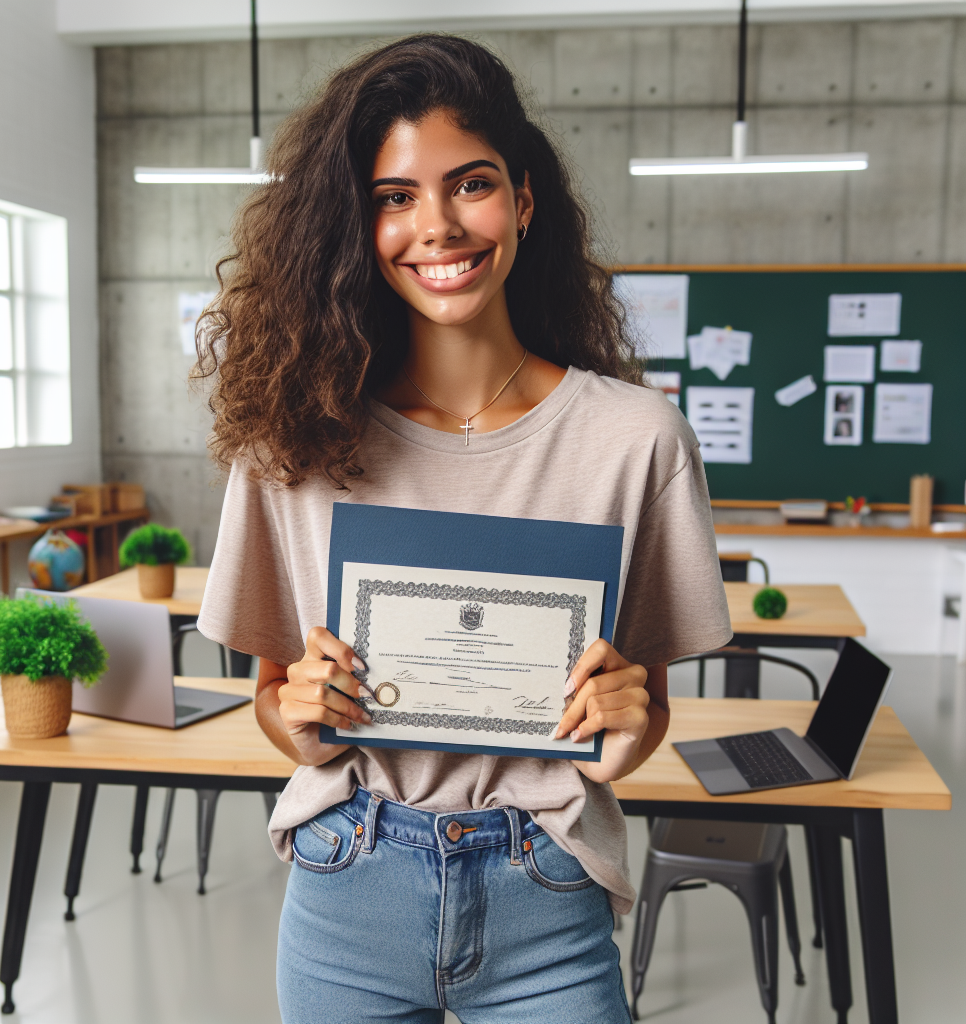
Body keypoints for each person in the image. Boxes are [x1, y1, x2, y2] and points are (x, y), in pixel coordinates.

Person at [195, 34, 731, 1024]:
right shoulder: (292, 444)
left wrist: (620, 734)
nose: (435, 226)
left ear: (523, 201)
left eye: (469, 184)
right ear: (357, 223)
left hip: (548, 885)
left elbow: (643, 711)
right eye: (395, 196)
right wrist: (302, 718)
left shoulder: (635, 440)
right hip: (346, 881)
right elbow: (277, 705)